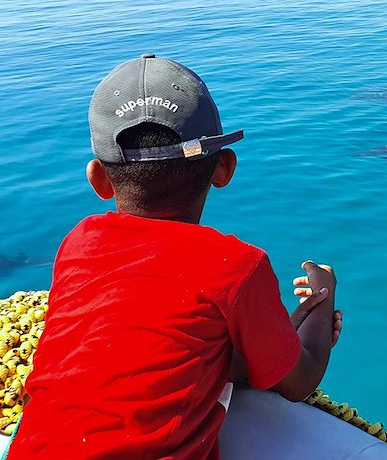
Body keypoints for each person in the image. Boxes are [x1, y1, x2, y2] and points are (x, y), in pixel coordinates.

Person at [7, 54, 343, 459]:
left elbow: (162, 351)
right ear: (223, 168)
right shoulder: (234, 266)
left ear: (98, 178)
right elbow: (298, 381)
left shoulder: (78, 244)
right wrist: (322, 304)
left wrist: (276, 335)